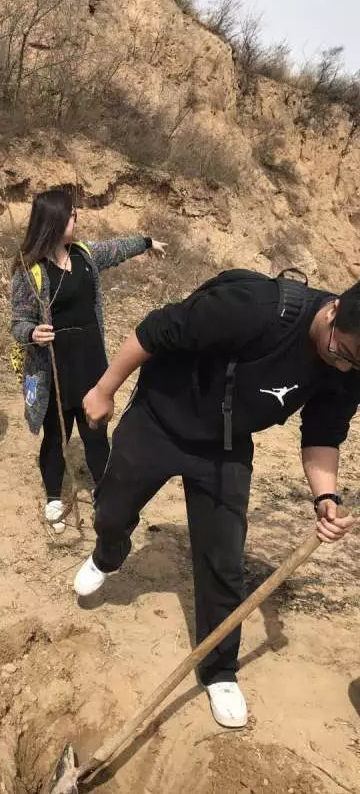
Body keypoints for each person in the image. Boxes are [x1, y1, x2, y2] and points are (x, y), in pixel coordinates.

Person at [76, 267, 358, 728]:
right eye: (341, 352)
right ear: (335, 311)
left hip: (226, 446)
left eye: (354, 364)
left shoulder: (349, 365)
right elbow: (154, 330)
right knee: (111, 511)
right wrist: (104, 390)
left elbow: (324, 432)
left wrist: (325, 496)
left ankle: (219, 670)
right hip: (158, 420)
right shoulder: (255, 308)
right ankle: (108, 555)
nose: (343, 367)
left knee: (224, 559)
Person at [11, 188, 166, 532]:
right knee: (57, 434)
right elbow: (18, 321)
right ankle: (54, 498)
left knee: (96, 431)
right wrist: (32, 332)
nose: (76, 220)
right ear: (53, 220)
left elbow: (116, 248)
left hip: (91, 361)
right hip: (54, 365)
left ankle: (105, 496)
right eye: (71, 215)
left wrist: (146, 242)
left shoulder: (84, 254)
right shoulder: (29, 268)